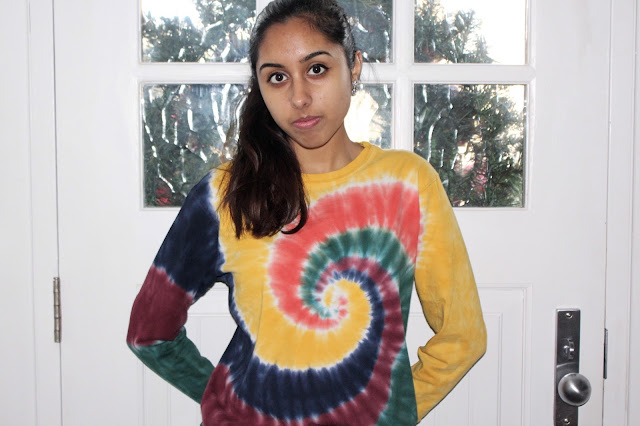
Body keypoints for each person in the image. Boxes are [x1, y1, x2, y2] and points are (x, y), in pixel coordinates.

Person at [126, 0, 487, 424]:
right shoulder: (224, 194)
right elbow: (149, 333)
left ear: (353, 67)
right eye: (277, 77)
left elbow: (463, 337)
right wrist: (228, 404)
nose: (299, 97)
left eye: (317, 69)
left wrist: (388, 412)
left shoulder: (408, 184)